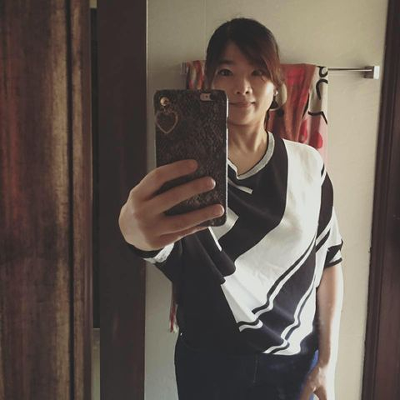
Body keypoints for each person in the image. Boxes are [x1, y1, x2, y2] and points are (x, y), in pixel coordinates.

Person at [119, 18, 344, 400]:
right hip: (208, 362)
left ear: (277, 86)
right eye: (226, 72)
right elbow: (159, 247)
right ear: (209, 82)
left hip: (293, 363)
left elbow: (330, 263)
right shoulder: (183, 172)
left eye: (257, 72)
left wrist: (328, 362)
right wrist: (131, 231)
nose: (242, 87)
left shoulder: (308, 165)